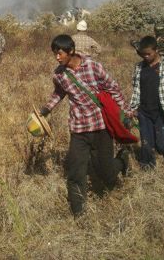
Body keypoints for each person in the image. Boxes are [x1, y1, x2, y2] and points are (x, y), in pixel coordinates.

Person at [38, 34, 130, 218]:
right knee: (75, 170)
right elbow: (59, 93)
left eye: (60, 53)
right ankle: (78, 211)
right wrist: (46, 109)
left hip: (101, 126)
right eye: (54, 54)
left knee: (107, 174)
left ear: (71, 51)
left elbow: (113, 87)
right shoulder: (59, 74)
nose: (57, 57)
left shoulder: (93, 66)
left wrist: (125, 112)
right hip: (79, 128)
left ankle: (122, 161)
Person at [130, 36, 164, 169]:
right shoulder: (139, 67)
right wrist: (133, 108)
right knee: (146, 142)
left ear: (156, 50)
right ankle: (147, 166)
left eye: (149, 53)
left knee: (163, 144)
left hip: (163, 112)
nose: (146, 57)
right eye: (143, 54)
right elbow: (136, 89)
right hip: (144, 111)